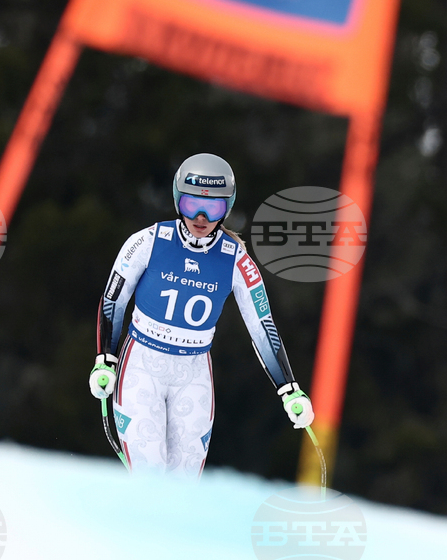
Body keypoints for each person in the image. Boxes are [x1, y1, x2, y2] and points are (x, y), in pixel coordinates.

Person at [89, 153, 314, 479]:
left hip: (193, 373)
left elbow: (262, 326)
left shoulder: (236, 259)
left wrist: (289, 388)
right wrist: (104, 360)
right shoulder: (147, 242)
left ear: (228, 208)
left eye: (216, 207)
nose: (202, 216)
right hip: (141, 365)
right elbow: (113, 300)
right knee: (148, 478)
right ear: (178, 200)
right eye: (193, 204)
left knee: (183, 488)